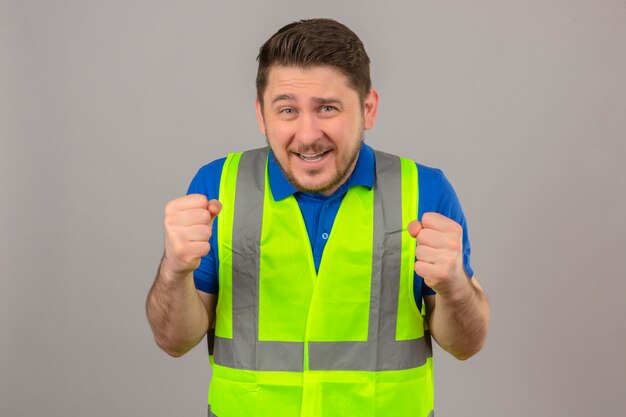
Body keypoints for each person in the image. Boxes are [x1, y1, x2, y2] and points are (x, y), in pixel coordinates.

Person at [146, 18, 490, 417]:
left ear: (368, 108)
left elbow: (466, 344)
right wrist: (173, 270)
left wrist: (454, 288)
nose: (307, 134)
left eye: (327, 108)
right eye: (287, 109)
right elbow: (174, 340)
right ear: (262, 115)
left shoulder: (425, 191)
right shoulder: (216, 187)